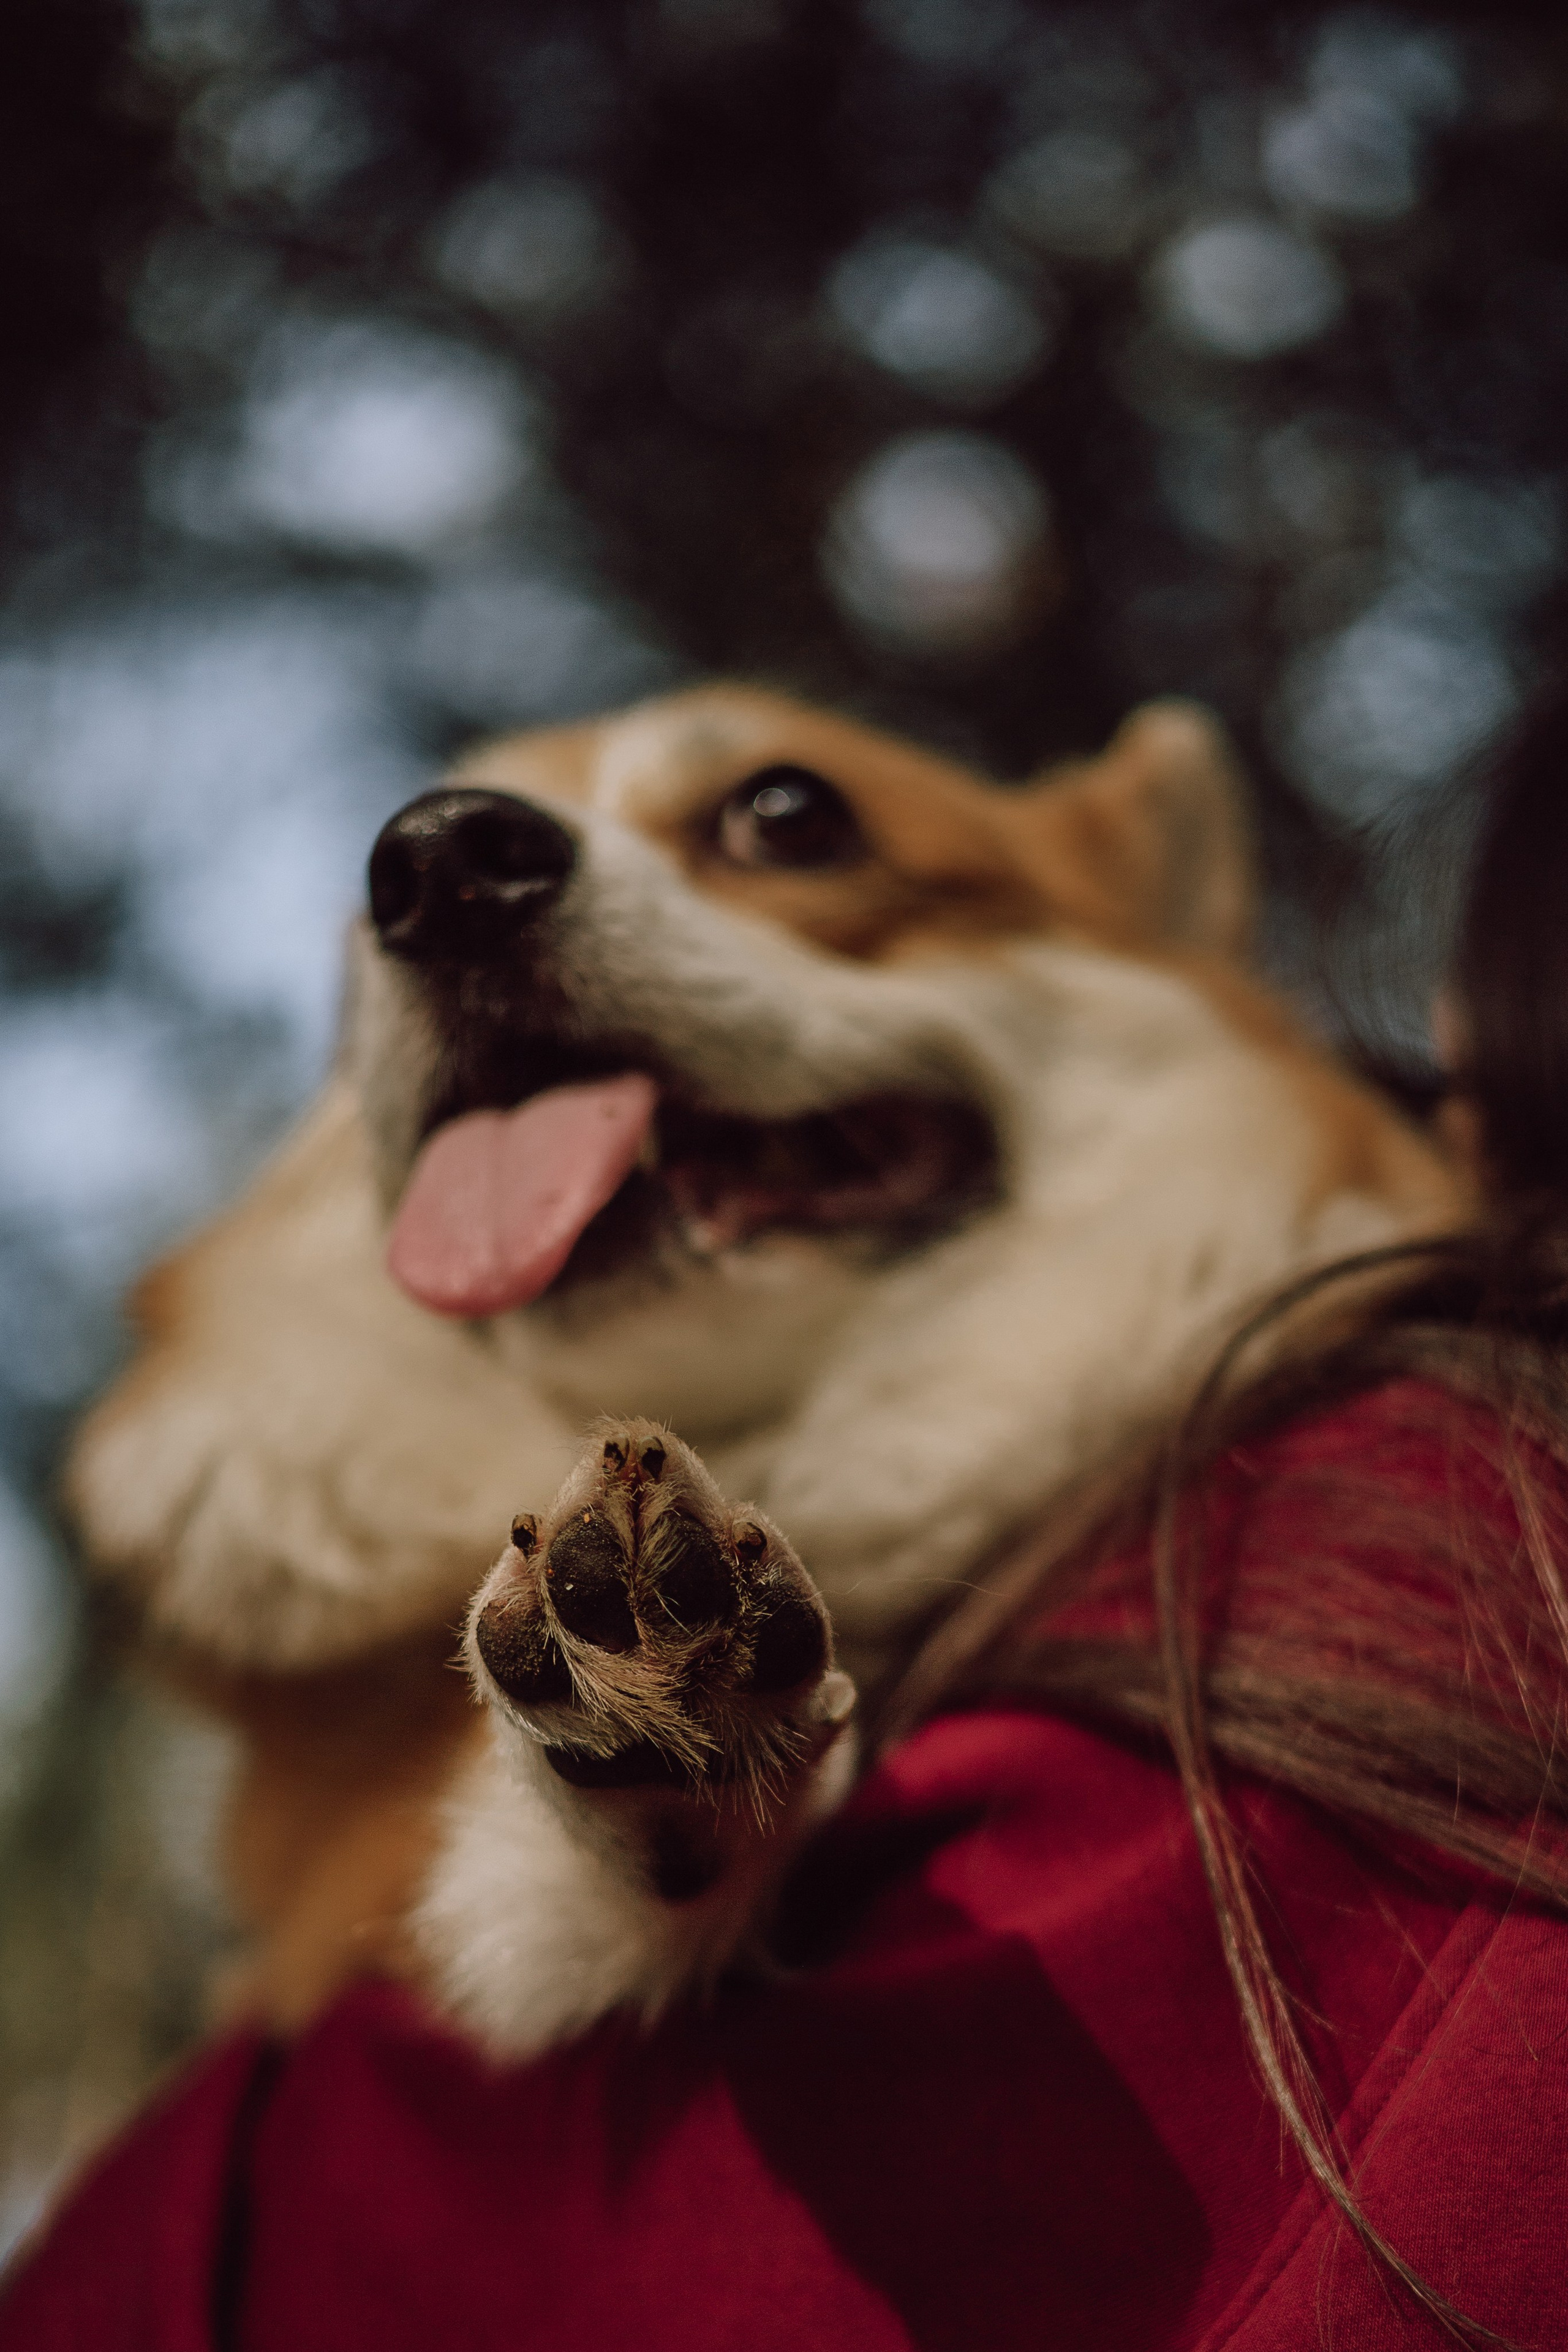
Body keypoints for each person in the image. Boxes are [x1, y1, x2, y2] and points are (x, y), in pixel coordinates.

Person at [6, 680, 1568, 2351]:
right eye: (393, 901)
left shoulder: (1429, 1586)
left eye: (778, 828)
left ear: (1155, 920)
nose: (448, 876)